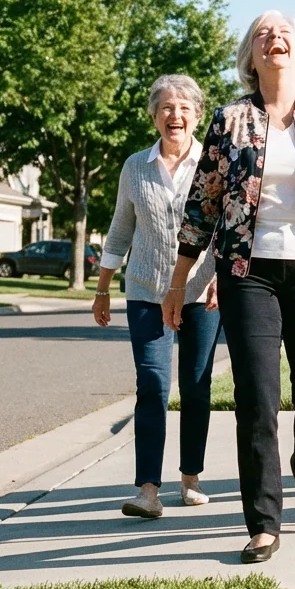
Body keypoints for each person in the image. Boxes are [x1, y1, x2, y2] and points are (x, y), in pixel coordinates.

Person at [165, 10, 295, 564]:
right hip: (246, 273)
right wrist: (180, 279)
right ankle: (262, 522)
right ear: (251, 56)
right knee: (256, 397)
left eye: (284, 34)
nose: (274, 39)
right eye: (263, 34)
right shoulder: (231, 119)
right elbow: (202, 204)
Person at [93, 74, 221, 520]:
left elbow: (226, 228)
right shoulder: (135, 167)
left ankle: (191, 477)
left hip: (201, 290)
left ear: (198, 115)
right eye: (166, 107)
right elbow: (120, 231)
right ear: (154, 116)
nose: (175, 115)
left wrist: (220, 276)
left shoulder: (213, 163)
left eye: (184, 107)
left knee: (197, 384)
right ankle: (148, 489)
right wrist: (103, 287)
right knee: (151, 385)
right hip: (147, 290)